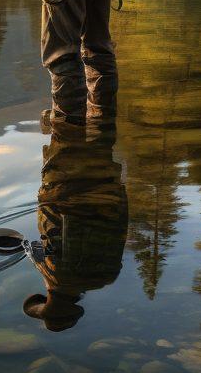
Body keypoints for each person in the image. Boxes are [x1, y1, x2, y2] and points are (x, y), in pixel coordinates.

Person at [22, 115, 128, 331]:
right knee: (67, 112)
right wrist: (46, 275)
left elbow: (120, 228)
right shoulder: (52, 273)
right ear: (49, 299)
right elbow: (36, 246)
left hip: (106, 180)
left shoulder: (108, 276)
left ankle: (101, 86)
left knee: (101, 115)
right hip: (67, 179)